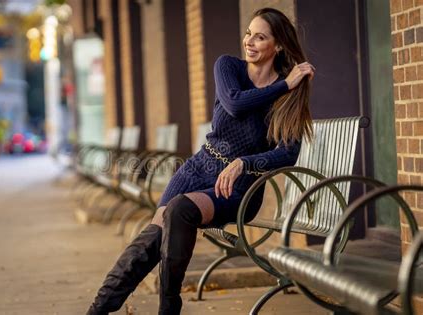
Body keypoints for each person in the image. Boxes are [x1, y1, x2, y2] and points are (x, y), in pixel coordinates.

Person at [86, 7, 314, 315]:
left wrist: (245, 163)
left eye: (260, 37)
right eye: (248, 33)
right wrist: (284, 84)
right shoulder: (229, 67)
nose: (249, 41)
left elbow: (288, 153)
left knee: (179, 210)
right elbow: (234, 103)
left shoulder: (289, 99)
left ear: (278, 46)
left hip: (238, 187)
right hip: (200, 167)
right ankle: (99, 309)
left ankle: (168, 306)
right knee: (155, 234)